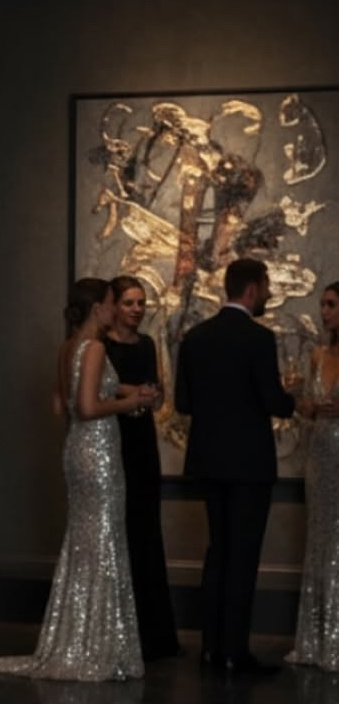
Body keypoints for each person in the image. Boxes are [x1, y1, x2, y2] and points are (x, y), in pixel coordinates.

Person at [0, 278, 153, 681]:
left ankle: (79, 637)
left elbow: (57, 403)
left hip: (75, 452)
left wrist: (126, 389)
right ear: (99, 307)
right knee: (104, 541)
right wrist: (130, 402)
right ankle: (96, 646)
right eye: (114, 302)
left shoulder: (68, 348)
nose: (117, 310)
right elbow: (85, 406)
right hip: (97, 454)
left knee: (85, 541)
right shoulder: (95, 346)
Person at [174, 257, 296, 675]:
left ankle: (210, 648)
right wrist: (294, 400)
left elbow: (184, 404)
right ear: (252, 288)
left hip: (208, 461)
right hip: (249, 465)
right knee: (242, 558)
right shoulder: (258, 339)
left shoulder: (194, 337)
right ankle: (234, 652)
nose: (267, 295)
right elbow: (273, 402)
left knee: (218, 554)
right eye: (265, 287)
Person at [103, 275, 180, 660]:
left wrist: (150, 394)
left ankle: (154, 634)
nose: (137, 309)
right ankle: (118, 630)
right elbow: (96, 390)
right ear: (113, 306)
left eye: (140, 302)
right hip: (112, 442)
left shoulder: (147, 344)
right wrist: (133, 392)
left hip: (142, 442)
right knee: (119, 530)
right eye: (130, 302)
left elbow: (158, 391)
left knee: (147, 531)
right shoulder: (100, 346)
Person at [286, 281, 339, 671]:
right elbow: (306, 409)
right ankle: (319, 638)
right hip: (321, 454)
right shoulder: (318, 354)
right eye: (323, 305)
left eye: (332, 305)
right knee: (321, 538)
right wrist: (301, 402)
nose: (325, 312)